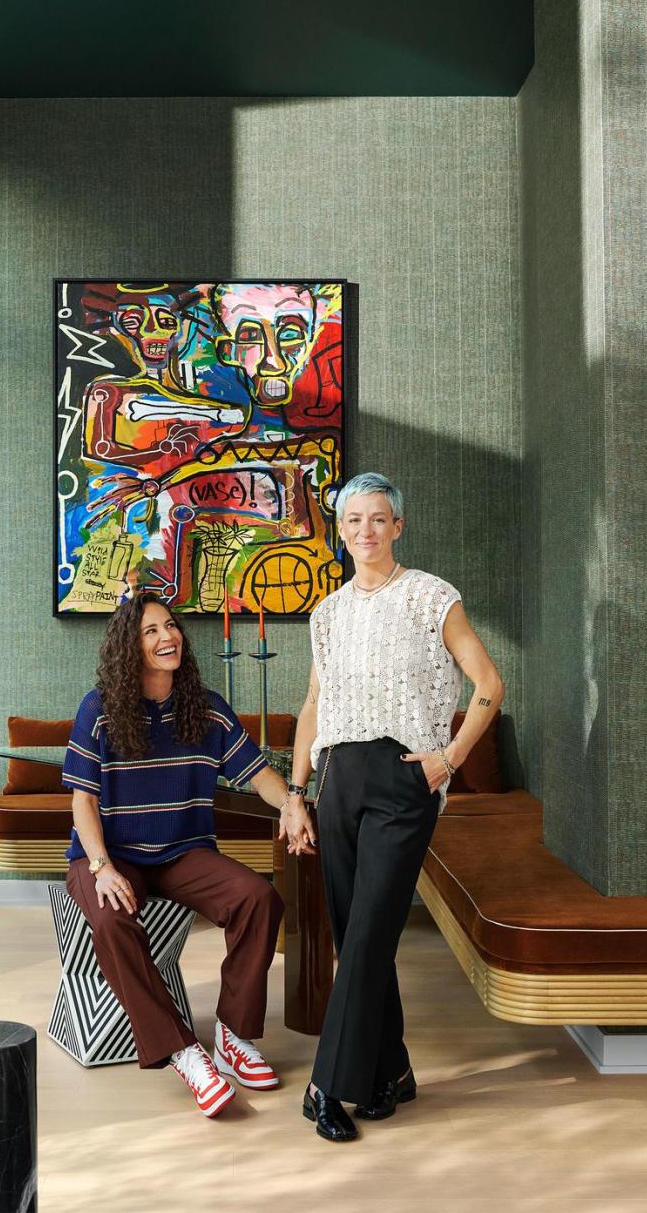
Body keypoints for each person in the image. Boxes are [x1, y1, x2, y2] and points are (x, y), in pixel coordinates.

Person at [289, 472, 504, 1141]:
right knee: (364, 936)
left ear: (398, 527)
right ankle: (393, 1073)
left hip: (403, 779)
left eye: (378, 519)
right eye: (353, 520)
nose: (365, 531)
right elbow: (313, 706)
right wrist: (296, 794)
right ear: (342, 530)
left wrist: (451, 758)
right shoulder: (327, 612)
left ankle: (328, 1083)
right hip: (335, 780)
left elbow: (489, 683)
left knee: (367, 935)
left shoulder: (431, 597)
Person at [62, 589, 317, 1118]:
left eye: (170, 626)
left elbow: (258, 775)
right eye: (151, 631)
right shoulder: (101, 708)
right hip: (111, 854)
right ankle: (182, 1050)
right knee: (111, 922)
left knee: (258, 898)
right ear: (128, 648)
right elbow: (82, 800)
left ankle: (233, 1034)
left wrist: (292, 802)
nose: (167, 637)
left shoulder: (206, 708)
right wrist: (102, 867)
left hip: (182, 851)